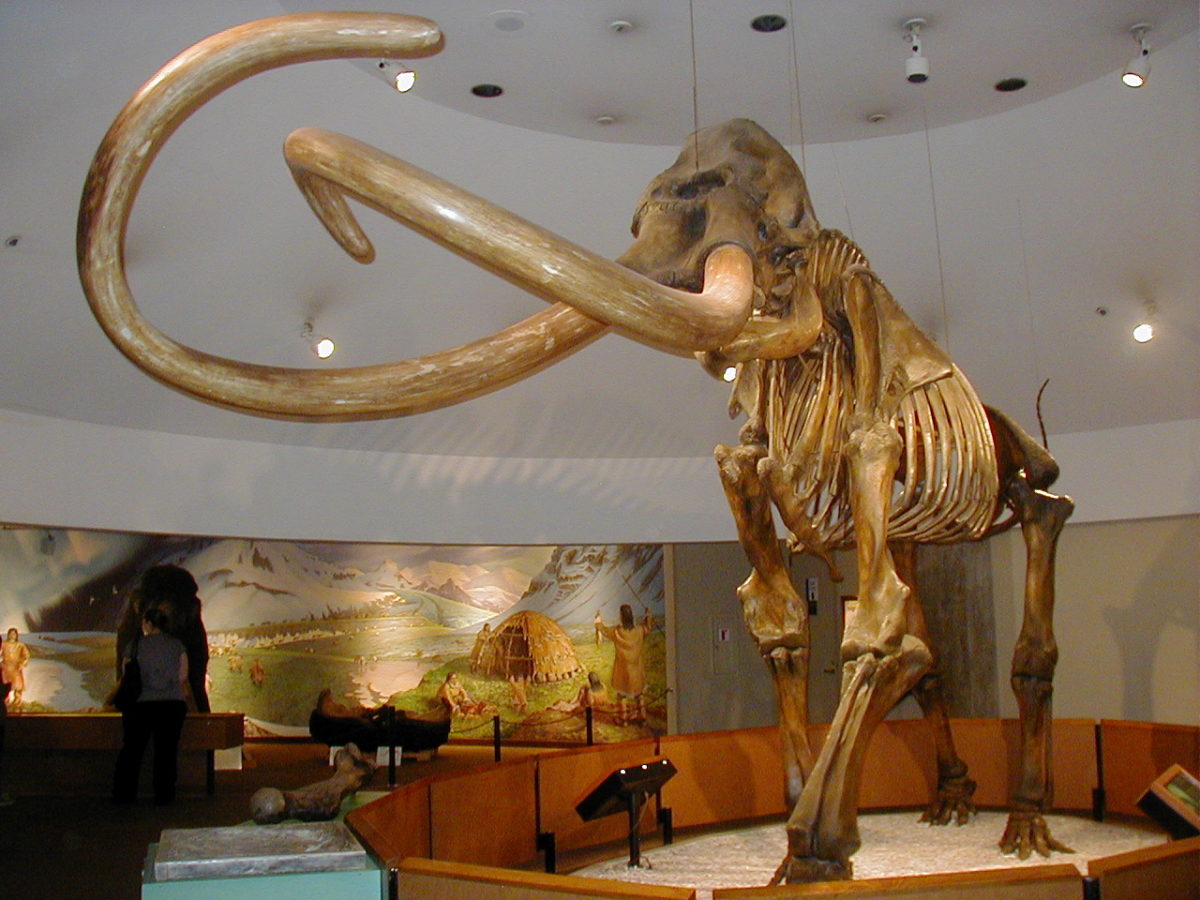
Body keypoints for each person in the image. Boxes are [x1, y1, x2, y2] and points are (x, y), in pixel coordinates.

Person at [112, 606, 188, 804]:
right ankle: (164, 797)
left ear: (147, 623)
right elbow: (182, 676)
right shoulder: (177, 645)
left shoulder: (134, 646)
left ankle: (125, 797)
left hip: (140, 706)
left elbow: (126, 676)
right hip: (172, 705)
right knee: (166, 753)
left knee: (132, 751)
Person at [598, 605, 655, 725]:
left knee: (622, 696)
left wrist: (598, 621)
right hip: (636, 670)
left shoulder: (617, 631)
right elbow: (647, 628)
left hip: (623, 671)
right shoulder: (639, 630)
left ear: (622, 617)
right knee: (639, 696)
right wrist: (648, 616)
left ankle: (623, 719)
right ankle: (642, 718)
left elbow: (603, 630)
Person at [2, 628, 31, 709]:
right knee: (5, 686)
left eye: (14, 634)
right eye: (11, 634)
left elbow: (26, 656)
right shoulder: (3, 644)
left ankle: (17, 704)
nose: (12, 635)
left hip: (16, 669)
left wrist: (22, 664)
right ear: (8, 635)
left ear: (16, 635)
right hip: (5, 668)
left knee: (17, 687)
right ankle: (5, 703)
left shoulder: (20, 645)